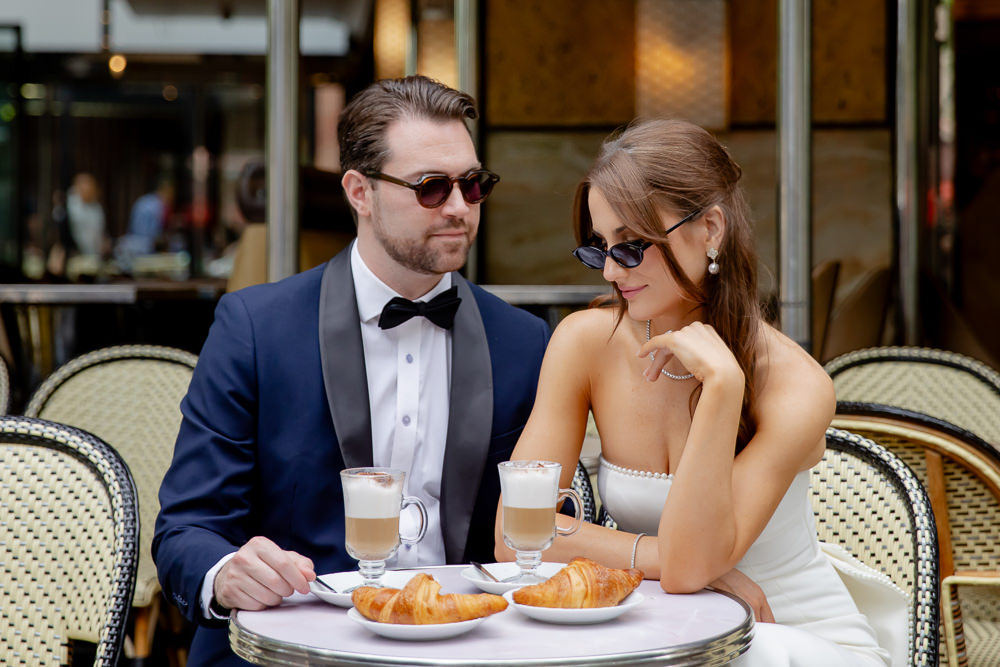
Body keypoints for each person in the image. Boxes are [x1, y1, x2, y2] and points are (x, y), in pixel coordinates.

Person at [153, 75, 550, 666]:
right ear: (359, 192)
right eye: (431, 188)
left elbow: (542, 530)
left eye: (473, 184)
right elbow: (186, 528)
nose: (460, 207)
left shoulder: (523, 341)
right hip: (295, 650)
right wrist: (227, 572)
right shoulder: (255, 328)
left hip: (470, 647)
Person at [495, 119, 904, 666]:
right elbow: (515, 532)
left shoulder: (793, 382)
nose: (611, 272)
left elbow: (689, 569)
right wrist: (668, 559)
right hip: (666, 630)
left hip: (791, 634)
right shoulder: (585, 342)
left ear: (710, 229)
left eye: (633, 246)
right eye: (600, 248)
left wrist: (723, 387)